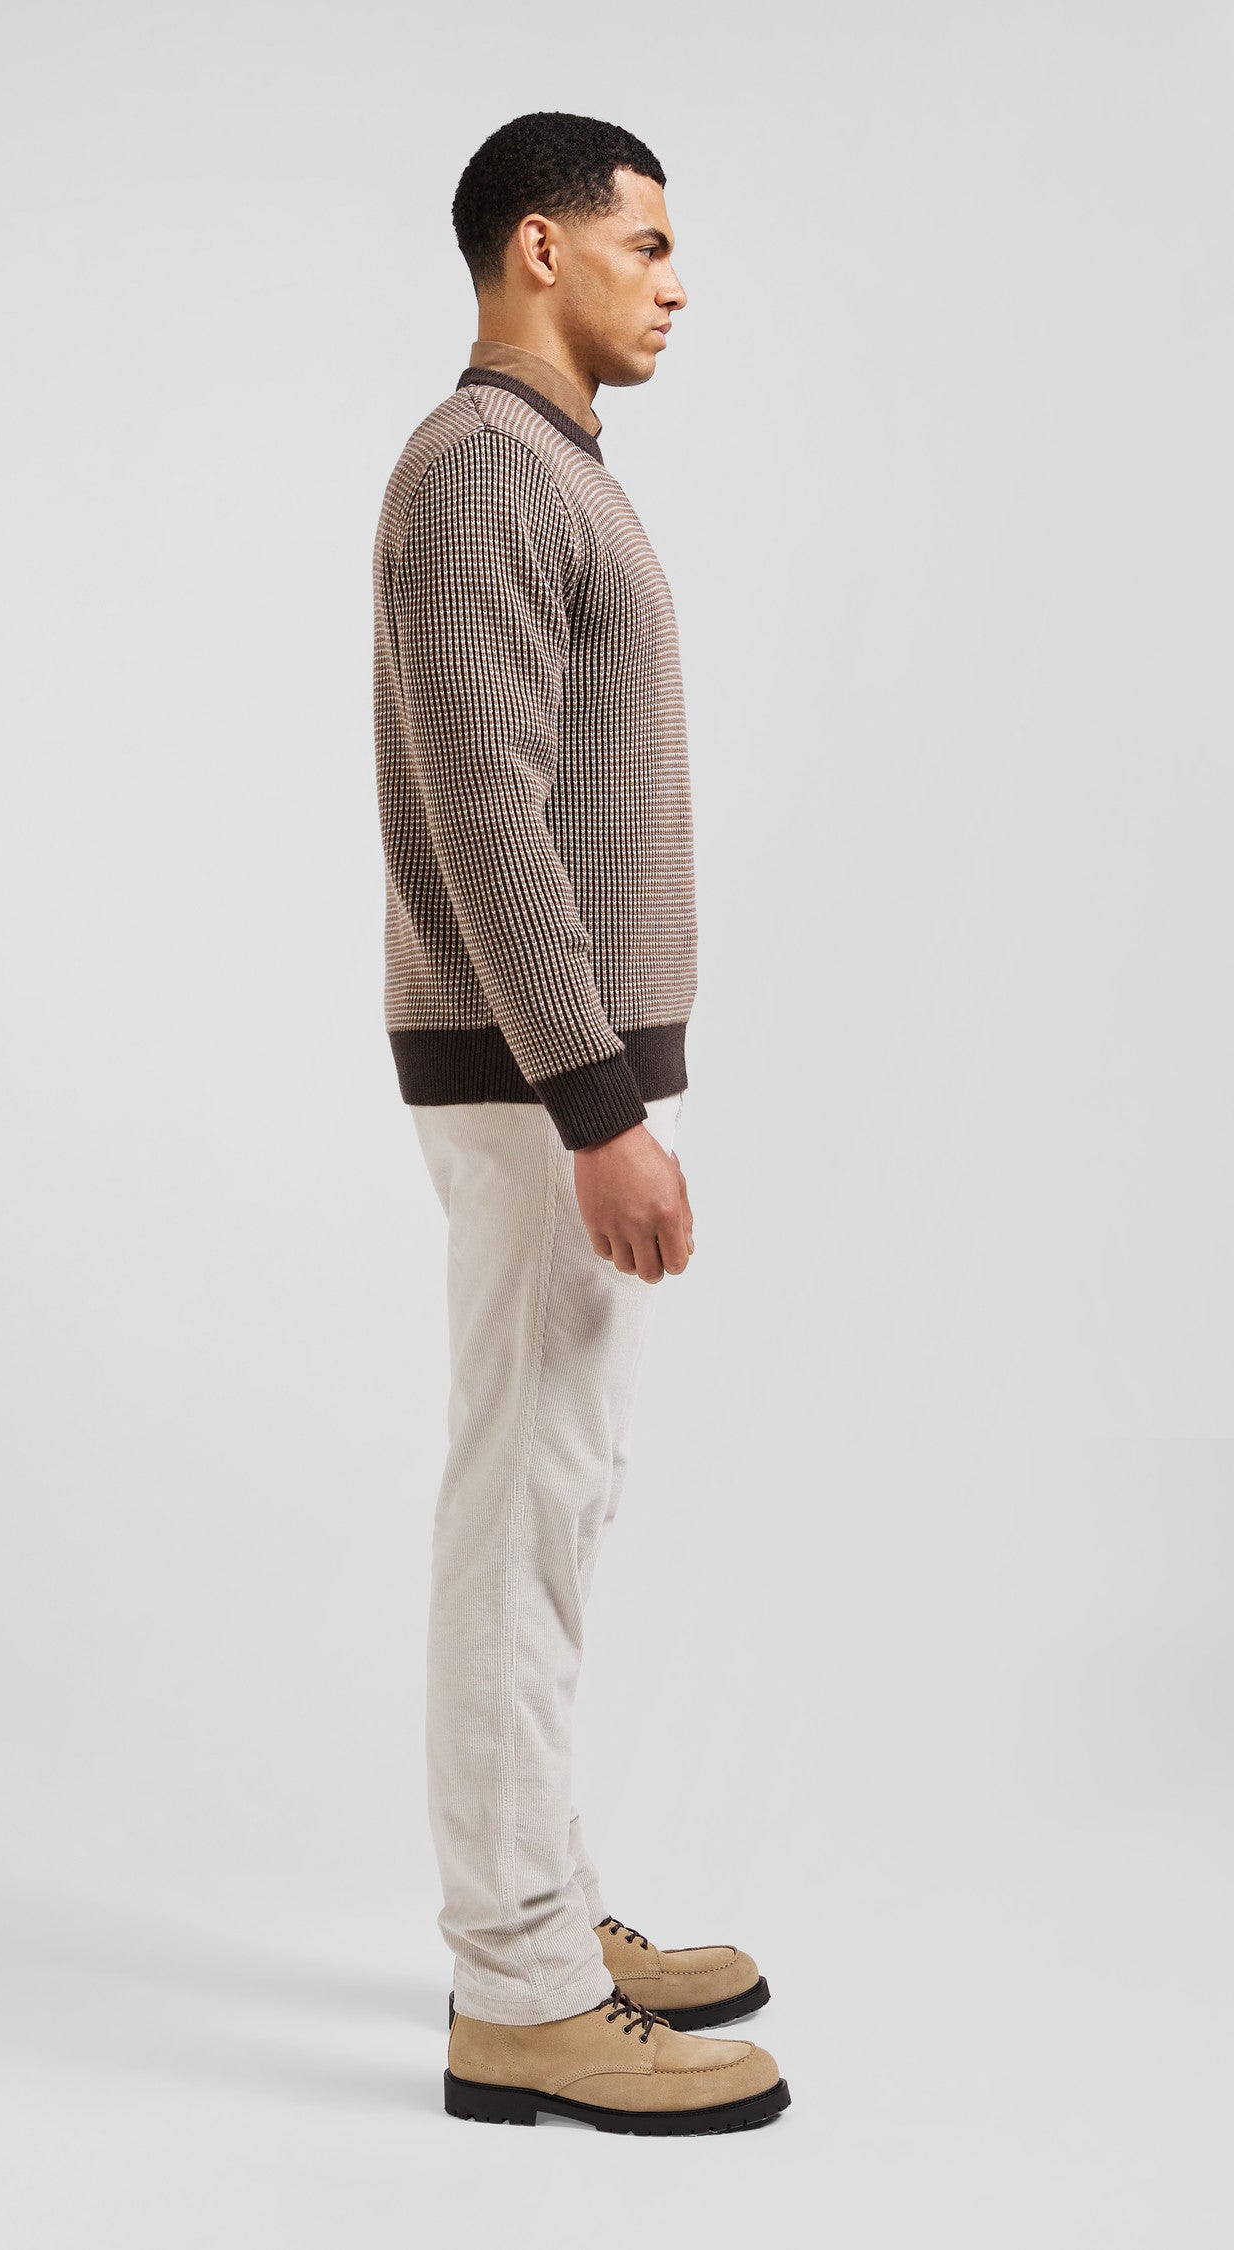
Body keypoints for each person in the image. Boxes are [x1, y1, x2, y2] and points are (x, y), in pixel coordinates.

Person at [371, 109, 789, 2136]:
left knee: (560, 1506)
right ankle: (520, 1987)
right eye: (648, 243)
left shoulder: (548, 467)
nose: (677, 282)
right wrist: (599, 1105)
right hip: (545, 1083)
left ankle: (547, 1911)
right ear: (539, 246)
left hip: (565, 1076)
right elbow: (491, 812)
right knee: (523, 1516)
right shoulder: (480, 469)